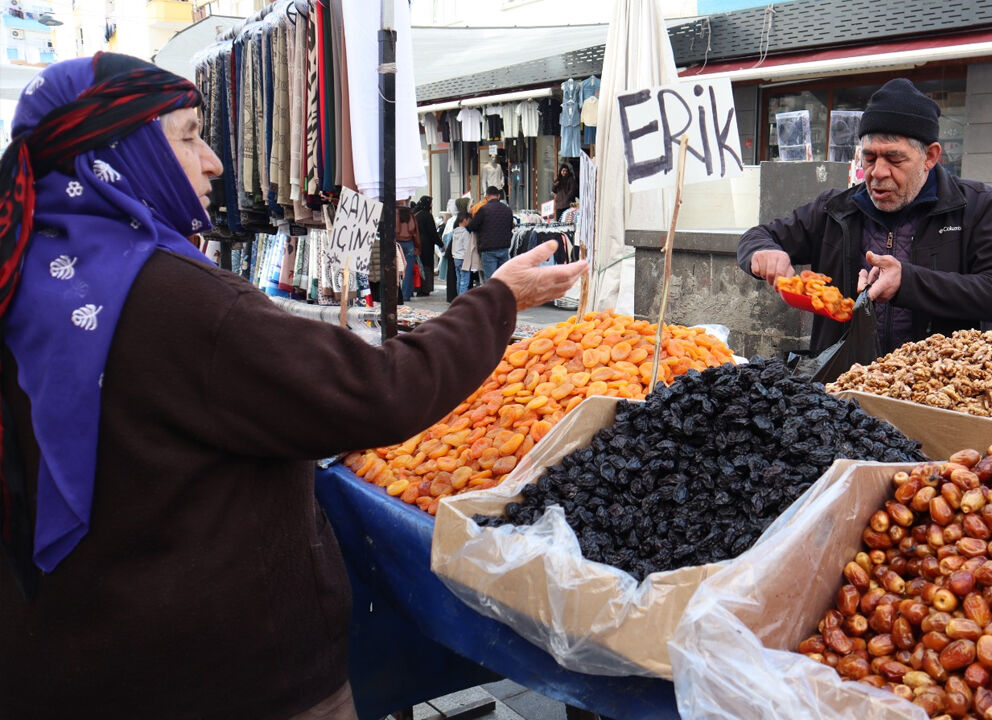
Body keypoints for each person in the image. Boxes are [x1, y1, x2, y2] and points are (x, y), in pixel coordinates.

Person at [0, 53, 586, 719]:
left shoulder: (21, 272)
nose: (215, 163)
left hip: (62, 660)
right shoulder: (173, 296)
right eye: (190, 135)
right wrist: (499, 299)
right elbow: (378, 390)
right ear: (117, 150)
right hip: (218, 679)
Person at [738, 78, 992, 355]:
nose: (878, 172)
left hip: (936, 385)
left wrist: (908, 282)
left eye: (895, 159)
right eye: (870, 158)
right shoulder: (836, 209)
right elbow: (758, 236)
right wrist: (762, 251)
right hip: (844, 382)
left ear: (931, 156)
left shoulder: (978, 206)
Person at [468, 185, 514, 281]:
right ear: (498, 196)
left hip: (488, 249)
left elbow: (472, 226)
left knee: (490, 280)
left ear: (486, 197)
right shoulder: (507, 210)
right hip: (504, 248)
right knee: (503, 279)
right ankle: (502, 296)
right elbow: (511, 227)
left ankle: (492, 296)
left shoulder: (483, 210)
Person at [394, 200, 418, 304]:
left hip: (397, 242)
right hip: (409, 243)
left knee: (395, 269)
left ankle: (396, 294)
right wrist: (418, 246)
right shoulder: (411, 214)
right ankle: (406, 295)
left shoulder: (394, 212)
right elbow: (416, 232)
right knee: (408, 270)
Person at [452, 211, 480, 296]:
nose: (469, 222)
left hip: (456, 258)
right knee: (465, 281)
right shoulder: (465, 233)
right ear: (464, 220)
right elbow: (468, 248)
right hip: (464, 259)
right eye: (468, 220)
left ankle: (458, 297)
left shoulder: (455, 232)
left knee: (459, 280)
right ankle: (462, 299)